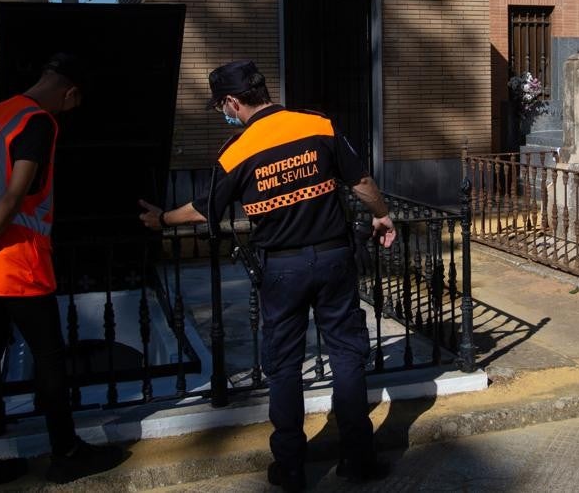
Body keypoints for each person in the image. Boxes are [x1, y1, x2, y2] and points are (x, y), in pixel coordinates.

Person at [138, 60, 396, 492]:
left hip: (282, 269)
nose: (225, 112)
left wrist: (163, 219)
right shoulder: (317, 124)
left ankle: (292, 469)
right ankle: (360, 459)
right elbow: (362, 181)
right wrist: (383, 216)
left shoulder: (236, 151)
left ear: (234, 101)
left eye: (223, 105)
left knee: (285, 367)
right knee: (348, 357)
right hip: (335, 258)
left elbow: (205, 209)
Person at [0, 53, 125, 492]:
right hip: (18, 265)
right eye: (73, 104)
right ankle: (66, 454)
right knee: (49, 360)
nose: (70, 111)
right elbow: (13, 197)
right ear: (70, 92)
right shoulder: (38, 124)